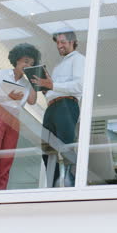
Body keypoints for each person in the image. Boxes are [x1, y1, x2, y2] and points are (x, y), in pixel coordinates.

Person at [0, 43, 40, 191]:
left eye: (31, 64)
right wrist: (8, 96)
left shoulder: (27, 84)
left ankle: (0, 196)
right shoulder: (2, 73)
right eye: (25, 61)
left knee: (7, 161)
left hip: (13, 120)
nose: (27, 65)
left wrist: (33, 79)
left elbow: (32, 100)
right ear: (17, 60)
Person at [31, 30, 84, 187]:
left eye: (63, 42)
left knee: (67, 146)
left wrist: (52, 85)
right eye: (57, 43)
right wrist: (47, 88)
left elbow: (79, 86)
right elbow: (55, 89)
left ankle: (72, 185)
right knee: (47, 151)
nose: (59, 46)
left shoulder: (79, 60)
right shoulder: (57, 67)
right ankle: (52, 186)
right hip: (52, 107)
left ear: (73, 41)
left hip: (67, 105)